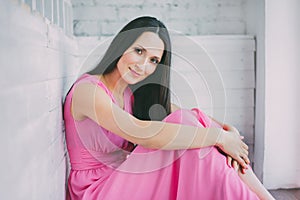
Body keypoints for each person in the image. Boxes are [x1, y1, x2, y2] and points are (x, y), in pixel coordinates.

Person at [64, 16, 274, 200]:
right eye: (139, 51)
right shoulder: (88, 91)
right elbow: (140, 132)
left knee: (189, 121)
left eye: (153, 60)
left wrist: (230, 133)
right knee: (188, 127)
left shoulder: (130, 94)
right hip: (97, 191)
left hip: (122, 179)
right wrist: (219, 137)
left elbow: (192, 115)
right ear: (121, 45)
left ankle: (263, 197)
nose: (143, 65)